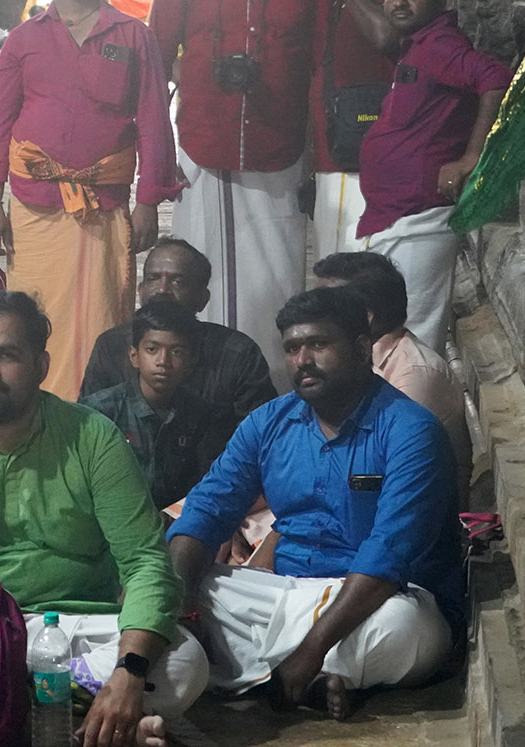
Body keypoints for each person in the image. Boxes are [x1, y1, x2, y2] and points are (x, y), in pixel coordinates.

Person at [0, 292, 208, 747]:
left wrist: (128, 673)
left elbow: (146, 563)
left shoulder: (92, 438)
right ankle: (79, 723)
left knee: (186, 659)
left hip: (74, 629)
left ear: (41, 366)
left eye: (5, 355)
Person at [166, 286, 465, 716]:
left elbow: (388, 557)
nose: (302, 360)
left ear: (362, 349)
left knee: (406, 631)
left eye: (318, 344)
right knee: (174, 580)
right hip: (284, 595)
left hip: (380, 601)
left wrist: (310, 651)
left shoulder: (410, 431)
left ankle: (272, 670)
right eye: (292, 348)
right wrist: (179, 605)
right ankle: (313, 681)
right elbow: (206, 512)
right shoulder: (268, 423)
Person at [0, 0, 181, 398]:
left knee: (104, 316)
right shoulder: (24, 39)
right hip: (33, 207)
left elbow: (154, 122)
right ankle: (31, 408)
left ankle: (96, 415)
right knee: (32, 314)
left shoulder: (133, 35)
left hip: (104, 207)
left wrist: (149, 200)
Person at [149, 0, 319, 376]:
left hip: (278, 149)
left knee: (277, 277)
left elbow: (318, 66)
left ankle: (271, 388)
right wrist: (156, 159)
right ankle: (201, 384)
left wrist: (316, 155)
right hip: (205, 144)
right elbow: (156, 64)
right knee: (201, 278)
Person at [351, 0, 511, 351]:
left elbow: (496, 79)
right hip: (397, 215)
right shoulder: (417, 45)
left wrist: (471, 156)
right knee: (387, 337)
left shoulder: (439, 44)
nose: (399, 2)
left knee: (410, 339)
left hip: (420, 217)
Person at [77, 238, 277, 438]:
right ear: (140, 290)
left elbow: (262, 438)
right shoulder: (111, 345)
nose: (162, 289)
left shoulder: (238, 353)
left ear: (202, 299)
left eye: (178, 281)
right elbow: (87, 428)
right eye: (153, 278)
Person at [312, 251, 471, 500]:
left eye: (325, 306)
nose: (312, 317)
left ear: (365, 316)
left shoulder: (414, 373)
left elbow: (378, 477)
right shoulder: (347, 362)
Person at [309, 0, 403, 262]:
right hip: (330, 146)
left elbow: (385, 37)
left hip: (377, 145)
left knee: (369, 262)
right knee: (333, 259)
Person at [82, 301, 229, 510]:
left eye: (176, 352)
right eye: (152, 349)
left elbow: (208, 485)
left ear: (191, 361)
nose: (163, 361)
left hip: (179, 524)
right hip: (112, 524)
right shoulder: (99, 412)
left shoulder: (203, 415)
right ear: (134, 356)